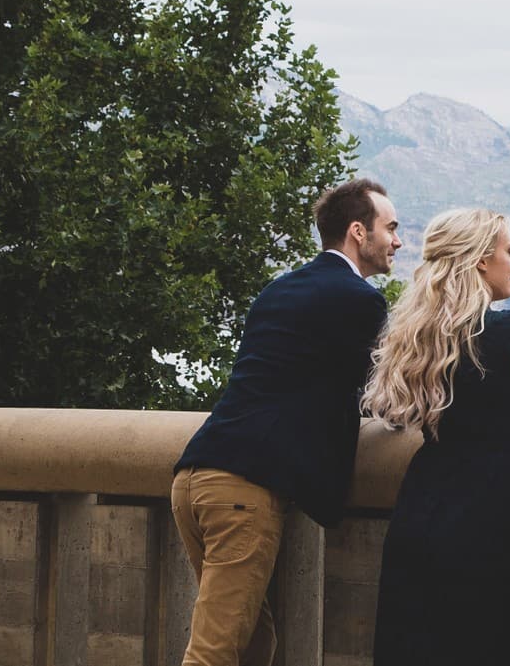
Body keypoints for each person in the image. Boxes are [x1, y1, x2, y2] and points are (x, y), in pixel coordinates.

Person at [171, 178, 400, 666]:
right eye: (391, 228)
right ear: (359, 232)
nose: (398, 241)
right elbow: (389, 391)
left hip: (195, 477)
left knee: (253, 642)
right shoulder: (360, 300)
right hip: (244, 490)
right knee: (213, 653)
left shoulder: (279, 289)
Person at [364, 207, 510, 665]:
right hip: (484, 512)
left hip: (421, 505)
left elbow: (477, 409)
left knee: (414, 644)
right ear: (479, 261)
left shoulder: (427, 337)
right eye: (509, 252)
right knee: (483, 641)